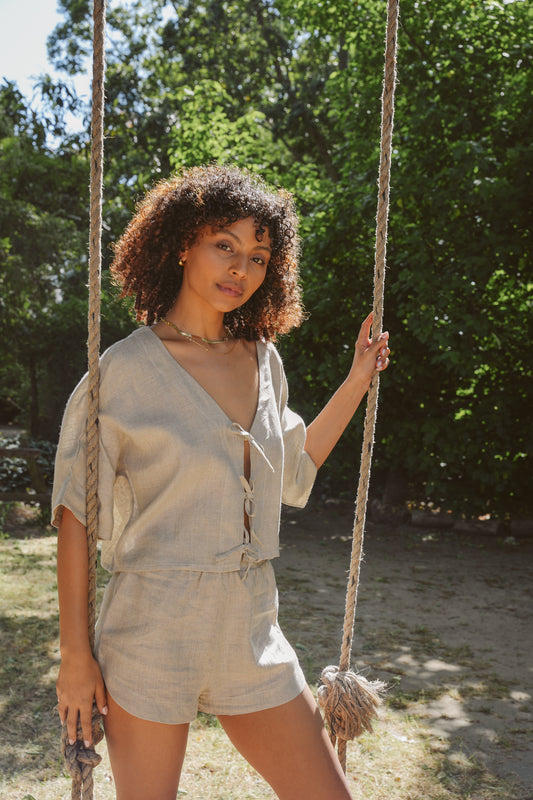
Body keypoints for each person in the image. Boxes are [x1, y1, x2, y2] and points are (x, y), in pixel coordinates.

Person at [53, 164, 390, 800]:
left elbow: (293, 467)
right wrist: (76, 657)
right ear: (182, 244)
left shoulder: (264, 360)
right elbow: (77, 516)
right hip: (150, 628)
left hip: (253, 626)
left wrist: (357, 380)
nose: (241, 269)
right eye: (225, 245)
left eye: (259, 256)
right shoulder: (122, 372)